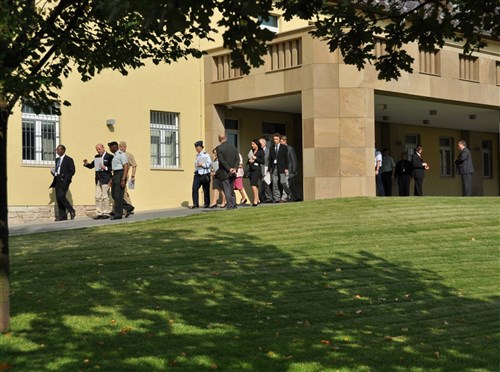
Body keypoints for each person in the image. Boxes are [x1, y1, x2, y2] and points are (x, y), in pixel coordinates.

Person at [83, 143, 113, 219]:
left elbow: (112, 168)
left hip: (106, 179)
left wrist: (105, 167)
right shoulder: (96, 157)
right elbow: (91, 166)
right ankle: (99, 212)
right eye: (97, 149)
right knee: (97, 196)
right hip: (98, 179)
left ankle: (106, 213)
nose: (98, 151)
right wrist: (86, 164)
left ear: (103, 148)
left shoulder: (109, 157)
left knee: (105, 196)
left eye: (99, 149)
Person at [108, 141, 134, 219]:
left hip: (120, 174)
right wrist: (112, 179)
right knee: (113, 194)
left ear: (115, 147)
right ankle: (128, 207)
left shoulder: (121, 154)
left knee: (118, 195)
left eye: (110, 147)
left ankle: (118, 214)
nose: (110, 149)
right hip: (115, 174)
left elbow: (125, 166)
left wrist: (123, 179)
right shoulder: (115, 155)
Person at [50, 145, 76, 221]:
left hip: (64, 180)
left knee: (61, 196)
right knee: (58, 198)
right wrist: (54, 172)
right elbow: (58, 169)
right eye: (56, 150)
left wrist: (66, 178)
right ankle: (62, 215)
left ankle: (71, 210)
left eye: (58, 150)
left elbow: (72, 171)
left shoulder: (69, 159)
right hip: (57, 179)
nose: (57, 151)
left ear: (63, 150)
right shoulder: (57, 160)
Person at [216, 133, 239, 209]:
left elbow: (221, 161)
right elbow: (237, 159)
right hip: (233, 172)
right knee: (231, 189)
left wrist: (229, 169)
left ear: (219, 139)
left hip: (224, 172)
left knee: (227, 189)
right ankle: (234, 204)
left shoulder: (219, 148)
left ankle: (230, 205)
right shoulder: (233, 147)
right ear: (226, 138)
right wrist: (235, 168)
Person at [268, 133, 291, 203]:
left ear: (279, 139)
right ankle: (277, 198)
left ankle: (288, 193)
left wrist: (286, 168)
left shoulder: (284, 147)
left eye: (276, 139)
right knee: (275, 183)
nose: (275, 140)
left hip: (282, 167)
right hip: (274, 167)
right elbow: (270, 159)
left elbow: (286, 158)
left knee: (283, 182)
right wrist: (269, 168)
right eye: (274, 139)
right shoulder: (271, 148)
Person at [190, 140, 212, 208]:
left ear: (201, 147)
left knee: (205, 189)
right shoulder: (197, 155)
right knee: (194, 188)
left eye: (198, 147)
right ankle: (195, 203)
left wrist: (202, 164)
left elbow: (209, 164)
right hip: (197, 173)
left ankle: (206, 203)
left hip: (204, 173)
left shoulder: (205, 154)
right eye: (196, 147)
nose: (196, 148)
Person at [119, 141, 136, 215]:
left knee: (124, 192)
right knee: (118, 193)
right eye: (121, 146)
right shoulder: (117, 155)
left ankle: (130, 208)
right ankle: (122, 209)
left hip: (124, 175)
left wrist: (132, 176)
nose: (122, 148)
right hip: (117, 175)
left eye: (124, 146)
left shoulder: (129, 155)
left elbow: (134, 165)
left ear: (126, 147)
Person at [280, 135, 299, 201]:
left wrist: (294, 170)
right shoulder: (281, 149)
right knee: (290, 185)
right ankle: (296, 197)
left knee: (286, 183)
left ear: (285, 141)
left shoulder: (290, 148)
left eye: (281, 141)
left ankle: (285, 197)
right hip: (283, 169)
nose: (280, 142)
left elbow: (294, 159)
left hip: (289, 169)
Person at [247, 139, 265, 206]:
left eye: (253, 144)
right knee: (255, 185)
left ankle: (255, 201)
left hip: (257, 170)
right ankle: (257, 199)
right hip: (251, 169)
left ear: (257, 144)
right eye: (251, 144)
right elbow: (248, 159)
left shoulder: (261, 151)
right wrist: (250, 160)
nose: (252, 145)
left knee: (253, 184)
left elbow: (263, 161)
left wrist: (255, 158)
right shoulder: (252, 151)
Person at [258, 137, 272, 203]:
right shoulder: (258, 151)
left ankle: (269, 198)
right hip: (260, 169)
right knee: (261, 184)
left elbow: (270, 160)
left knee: (267, 184)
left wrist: (269, 169)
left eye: (260, 143)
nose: (259, 144)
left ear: (264, 143)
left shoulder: (269, 150)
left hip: (267, 169)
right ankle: (260, 198)